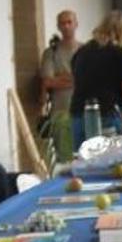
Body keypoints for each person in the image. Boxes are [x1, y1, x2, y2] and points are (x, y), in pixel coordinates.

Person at [69, 10, 122, 147]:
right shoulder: (121, 51)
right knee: (111, 163)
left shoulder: (81, 52)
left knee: (83, 162)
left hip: (77, 114)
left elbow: (77, 81)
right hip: (106, 114)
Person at [40, 10, 82, 161]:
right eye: (63, 23)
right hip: (60, 113)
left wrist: (62, 78)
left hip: (83, 113)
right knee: (65, 159)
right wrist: (74, 78)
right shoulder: (51, 53)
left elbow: (88, 79)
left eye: (69, 22)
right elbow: (48, 81)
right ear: (58, 26)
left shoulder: (84, 51)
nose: (66, 26)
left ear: (76, 24)